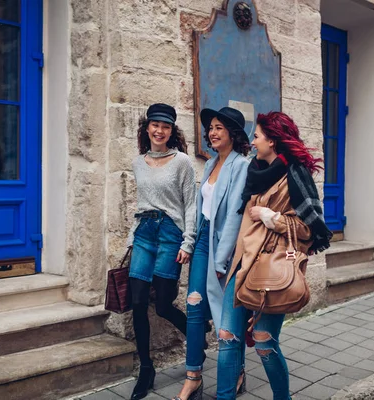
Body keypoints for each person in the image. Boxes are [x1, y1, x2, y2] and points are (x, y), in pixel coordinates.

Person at [216, 112, 333, 400]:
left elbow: (309, 228)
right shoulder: (254, 173)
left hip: (274, 266)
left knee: (264, 341)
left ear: (272, 140)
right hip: (243, 264)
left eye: (257, 136)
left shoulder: (296, 174)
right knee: (227, 338)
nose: (253, 142)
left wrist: (272, 217)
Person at [174, 107, 250, 400]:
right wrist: (190, 243)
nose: (212, 133)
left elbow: (234, 214)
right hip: (204, 238)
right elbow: (200, 209)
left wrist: (221, 259)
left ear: (232, 133)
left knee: (228, 313)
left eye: (219, 127)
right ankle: (193, 377)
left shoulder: (240, 165)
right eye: (211, 128)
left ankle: (237, 370)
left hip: (225, 246)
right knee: (193, 306)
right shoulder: (209, 164)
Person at [126, 103, 197, 400]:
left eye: (165, 126)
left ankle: (196, 335)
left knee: (165, 304)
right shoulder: (138, 161)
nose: (159, 130)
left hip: (170, 234)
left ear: (172, 131)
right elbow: (141, 202)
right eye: (155, 124)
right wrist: (132, 238)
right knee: (138, 303)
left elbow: (192, 204)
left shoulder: (181, 161)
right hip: (143, 233)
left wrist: (188, 242)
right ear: (147, 128)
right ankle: (146, 369)